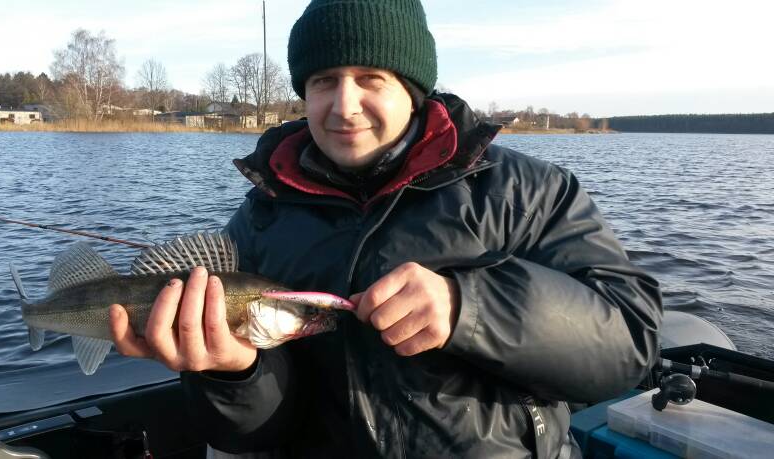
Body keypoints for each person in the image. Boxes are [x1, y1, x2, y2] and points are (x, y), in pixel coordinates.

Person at [110, 0, 663, 457]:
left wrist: (468, 308)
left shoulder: (526, 191)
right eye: (324, 81)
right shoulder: (261, 216)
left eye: (370, 79)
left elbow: (628, 345)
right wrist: (232, 374)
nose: (344, 106)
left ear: (412, 88)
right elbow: (252, 433)